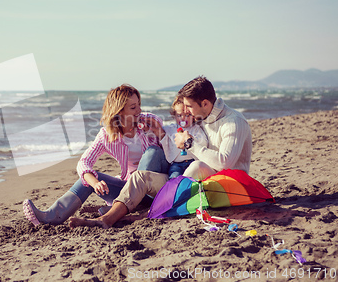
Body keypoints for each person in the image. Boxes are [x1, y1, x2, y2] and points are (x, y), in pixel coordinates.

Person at [69, 76, 252, 229]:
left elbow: (224, 163)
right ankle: (106, 220)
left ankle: (147, 209)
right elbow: (170, 131)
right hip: (189, 182)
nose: (184, 112)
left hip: (223, 186)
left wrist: (189, 143)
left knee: (195, 165)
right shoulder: (203, 118)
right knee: (139, 177)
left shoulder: (232, 122)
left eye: (188, 107)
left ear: (204, 103)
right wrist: (158, 132)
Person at [23, 84, 163, 226]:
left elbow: (160, 123)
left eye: (139, 105)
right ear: (119, 111)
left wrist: (151, 124)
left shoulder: (147, 124)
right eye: (133, 107)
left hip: (154, 192)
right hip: (128, 191)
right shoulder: (106, 136)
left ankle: (119, 209)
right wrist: (95, 183)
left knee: (153, 152)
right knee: (90, 178)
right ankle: (52, 216)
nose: (139, 110)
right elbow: (83, 162)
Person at [160, 96, 208, 179]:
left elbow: (203, 142)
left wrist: (191, 139)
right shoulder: (171, 128)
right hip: (176, 164)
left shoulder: (196, 129)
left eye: (187, 115)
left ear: (193, 116)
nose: (183, 118)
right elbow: (160, 130)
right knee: (174, 178)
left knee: (192, 179)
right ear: (174, 116)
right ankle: (174, 190)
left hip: (192, 162)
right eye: (179, 115)